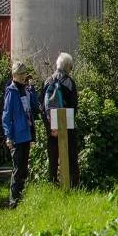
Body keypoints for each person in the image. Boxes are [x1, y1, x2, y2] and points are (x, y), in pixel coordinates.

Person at [2, 61, 36, 208]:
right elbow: (6, 116)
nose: (23, 77)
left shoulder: (26, 90)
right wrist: (8, 136)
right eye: (21, 74)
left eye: (24, 74)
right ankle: (13, 201)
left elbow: (34, 107)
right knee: (17, 169)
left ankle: (21, 198)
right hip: (16, 136)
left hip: (27, 135)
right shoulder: (12, 92)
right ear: (14, 75)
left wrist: (33, 90)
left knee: (23, 168)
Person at [41, 51, 79, 186]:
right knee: (71, 157)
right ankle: (73, 185)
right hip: (67, 126)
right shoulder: (69, 83)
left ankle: (53, 184)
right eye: (71, 67)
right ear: (67, 66)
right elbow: (74, 106)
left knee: (53, 158)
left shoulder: (47, 81)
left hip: (52, 128)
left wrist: (50, 127)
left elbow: (42, 107)